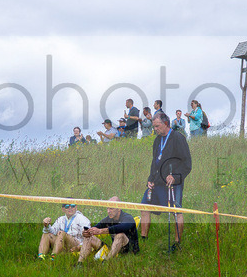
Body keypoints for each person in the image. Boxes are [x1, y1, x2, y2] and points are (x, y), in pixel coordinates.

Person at [139, 111, 192, 253]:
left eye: (157, 126)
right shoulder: (157, 140)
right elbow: (154, 162)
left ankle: (177, 243)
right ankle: (143, 241)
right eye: (153, 127)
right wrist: (150, 179)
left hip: (173, 182)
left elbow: (187, 164)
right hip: (157, 182)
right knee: (144, 206)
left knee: (176, 212)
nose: (154, 129)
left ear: (166, 124)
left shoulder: (178, 138)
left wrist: (175, 176)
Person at [79, 196, 140, 263]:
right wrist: (87, 232)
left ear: (119, 208)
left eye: (111, 208)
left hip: (129, 250)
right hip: (114, 249)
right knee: (89, 237)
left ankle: (107, 262)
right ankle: (80, 263)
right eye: (107, 208)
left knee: (120, 235)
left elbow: (122, 227)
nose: (108, 211)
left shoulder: (128, 217)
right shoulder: (108, 219)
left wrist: (101, 231)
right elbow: (96, 227)